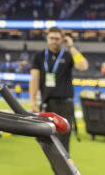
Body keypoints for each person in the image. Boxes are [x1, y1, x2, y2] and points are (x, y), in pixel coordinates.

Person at [29, 27, 89, 159]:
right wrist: (32, 101)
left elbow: (83, 66)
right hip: (47, 105)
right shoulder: (38, 57)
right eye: (51, 38)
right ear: (47, 38)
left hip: (65, 106)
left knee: (63, 144)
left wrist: (71, 46)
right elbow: (34, 79)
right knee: (48, 143)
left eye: (57, 39)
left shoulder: (68, 56)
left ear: (62, 40)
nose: (54, 41)